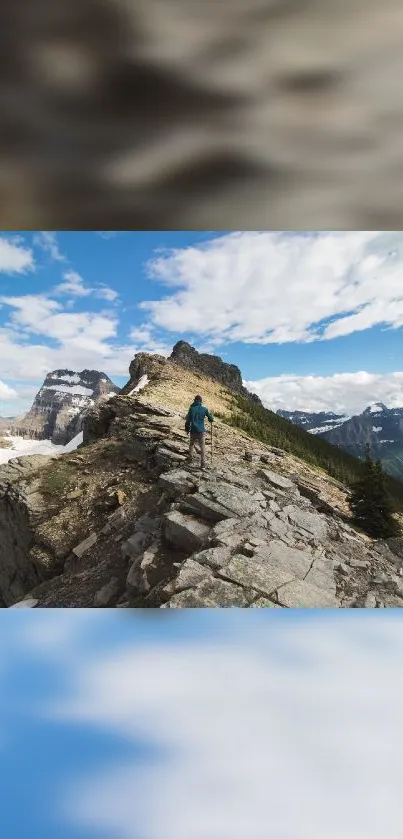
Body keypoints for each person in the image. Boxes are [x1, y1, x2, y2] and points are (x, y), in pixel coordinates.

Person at [185, 395, 214, 470]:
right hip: (201, 431)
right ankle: (203, 464)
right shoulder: (204, 409)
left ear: (195, 400)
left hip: (193, 430)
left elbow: (188, 420)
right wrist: (212, 416)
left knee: (191, 444)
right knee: (202, 447)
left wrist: (187, 429)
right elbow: (211, 419)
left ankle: (190, 459)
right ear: (201, 401)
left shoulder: (191, 409)